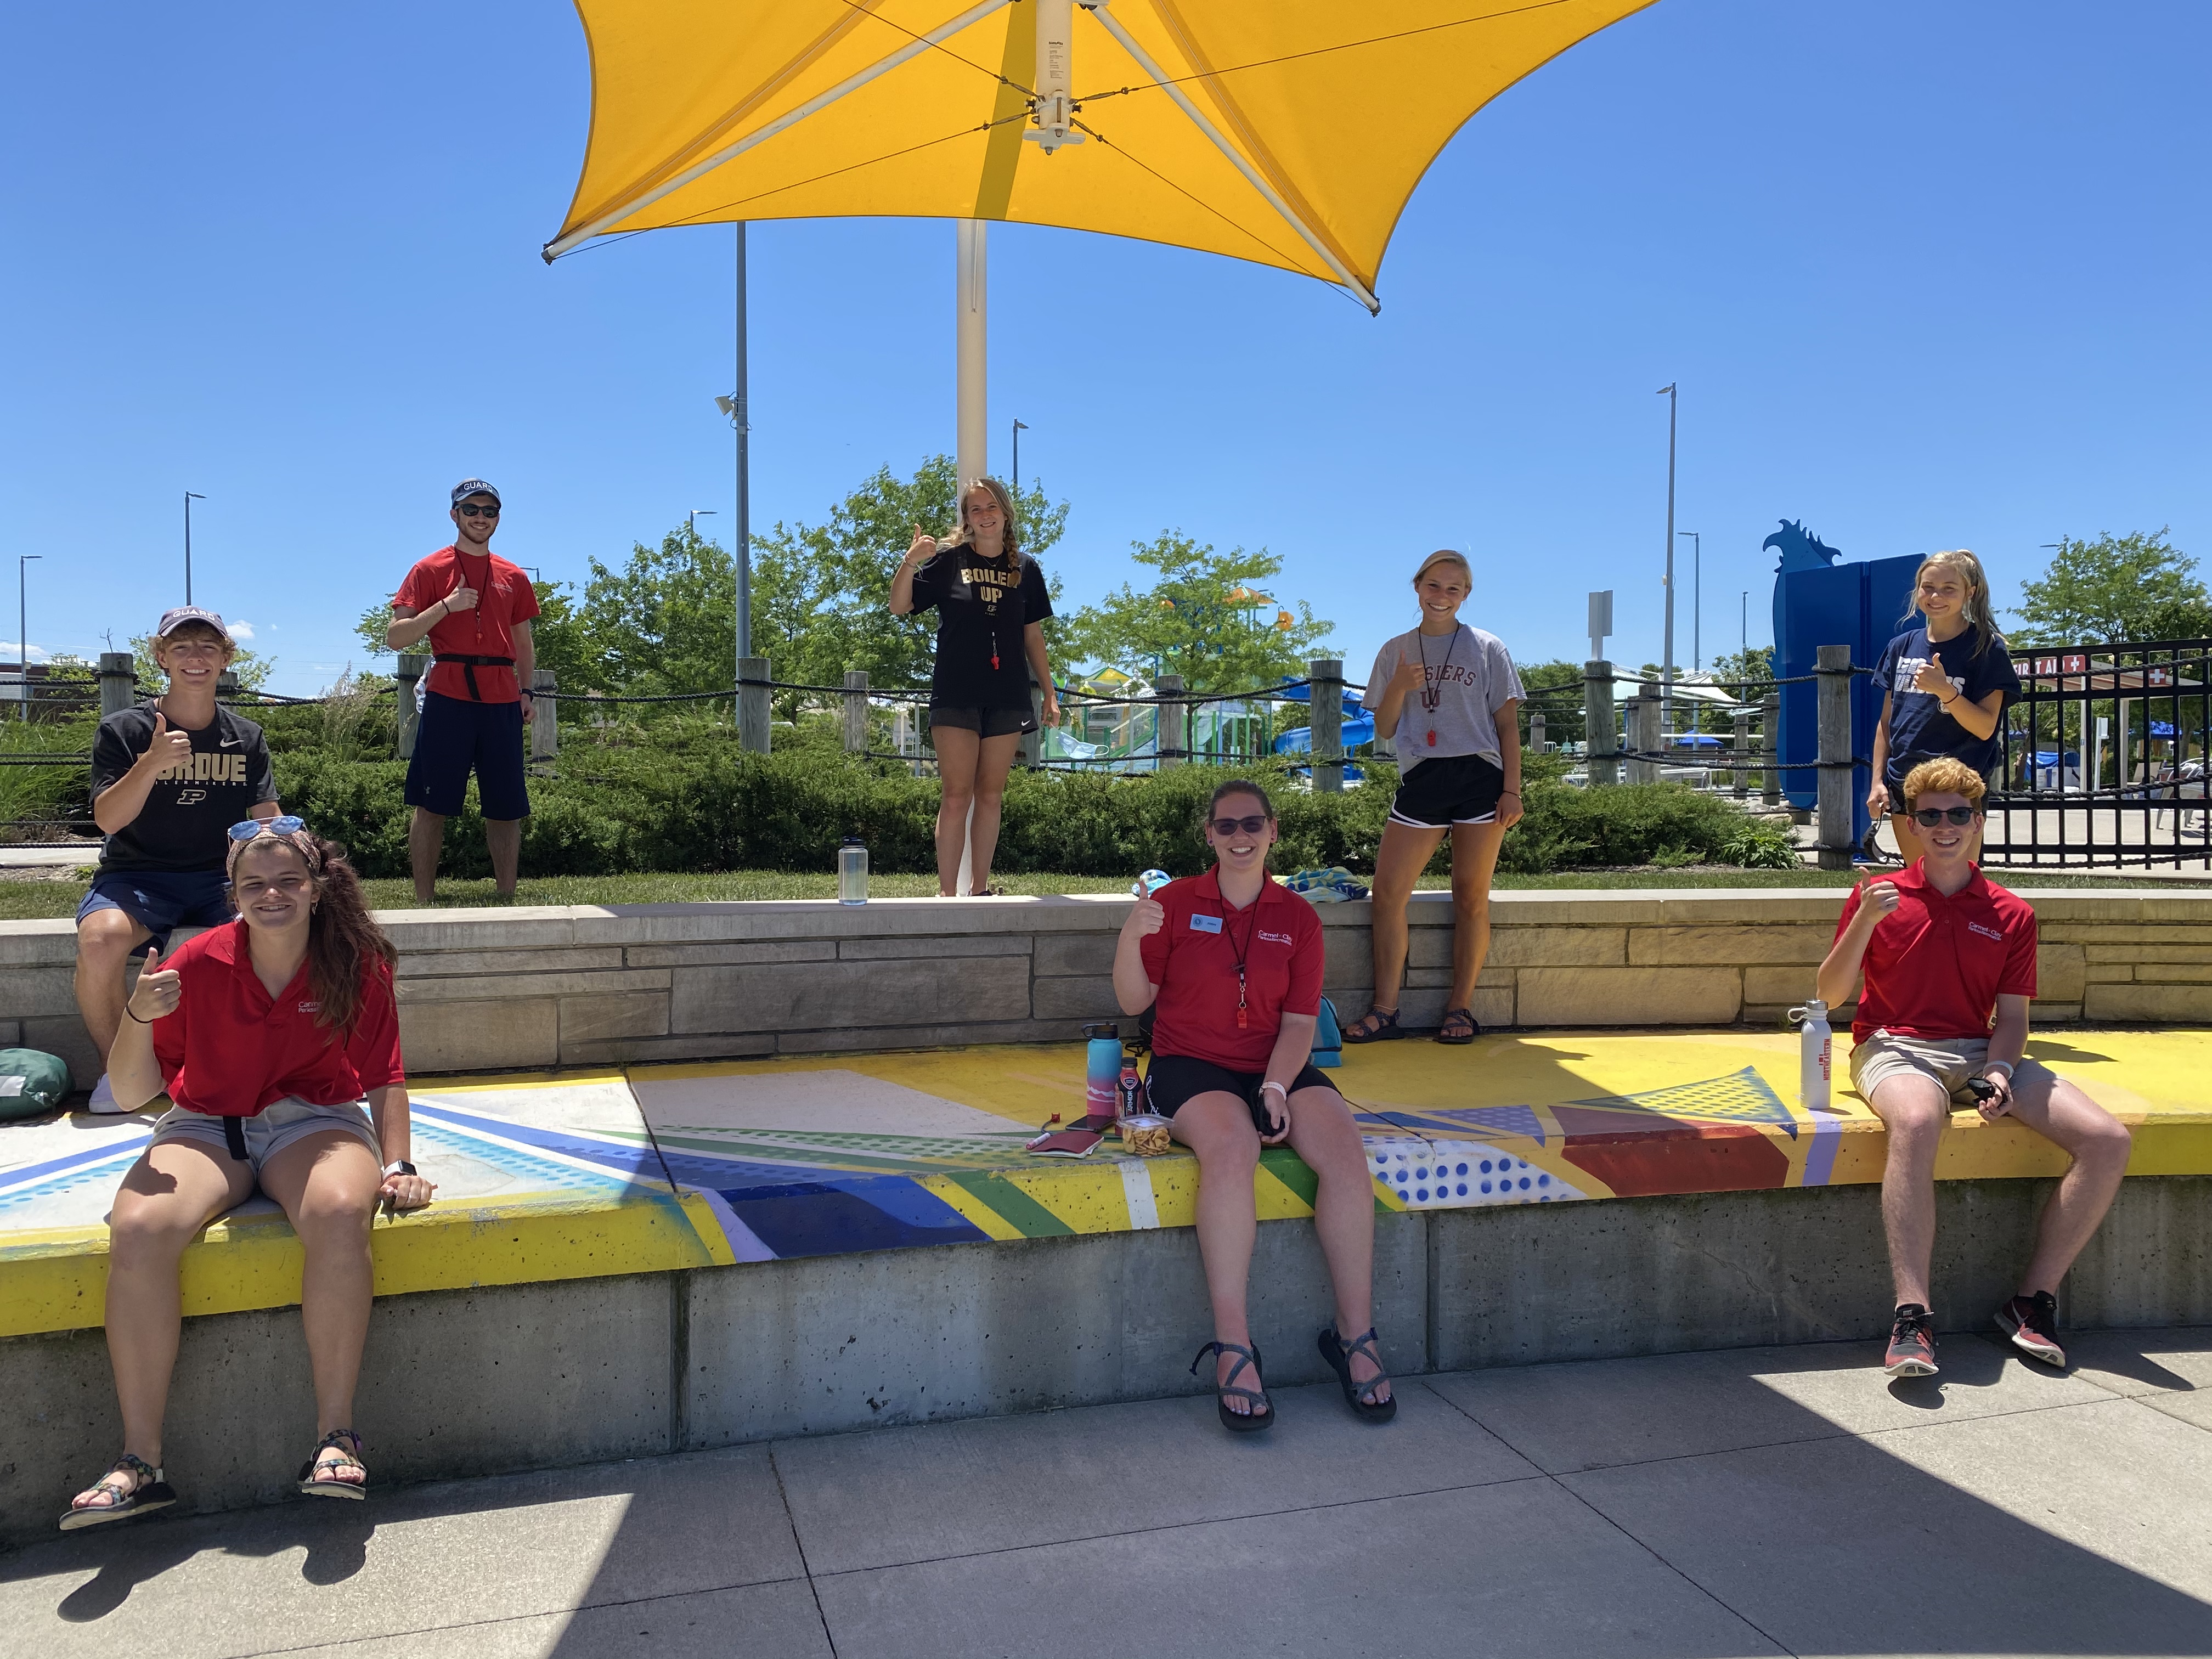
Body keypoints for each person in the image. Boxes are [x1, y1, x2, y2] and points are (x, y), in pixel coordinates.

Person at [60, 820, 435, 1530]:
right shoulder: (196, 960)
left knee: (335, 1213)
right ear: (231, 895)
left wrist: (400, 1163)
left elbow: (384, 1075)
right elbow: (137, 1089)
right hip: (208, 1126)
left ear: (318, 889)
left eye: (290, 881)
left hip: (314, 1124)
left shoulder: (353, 961)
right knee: (138, 1226)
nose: (273, 895)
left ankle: (336, 1438)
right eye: (254, 884)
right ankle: (140, 1462)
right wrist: (138, 1015)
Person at [1816, 758, 2131, 1380]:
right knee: (1916, 1118)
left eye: (1958, 815)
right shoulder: (1876, 895)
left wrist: (2004, 1070)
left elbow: (2011, 1017)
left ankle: (2031, 1302)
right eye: (1929, 816)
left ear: (1979, 821)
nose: (1944, 827)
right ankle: (1913, 1316)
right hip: (1893, 1047)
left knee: (2108, 1140)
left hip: (1980, 1049)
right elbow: (1827, 997)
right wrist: (1864, 922)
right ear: (1909, 825)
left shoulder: (2012, 913)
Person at [1113, 780, 1395, 1432]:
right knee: (1233, 1148)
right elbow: (1133, 1003)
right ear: (1208, 836)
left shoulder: (1297, 917)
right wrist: (1129, 938)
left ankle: (1354, 1338)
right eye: (1227, 826)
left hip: (1277, 1063)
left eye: (1253, 825)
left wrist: (1274, 1085)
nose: (1240, 837)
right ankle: (1234, 1346)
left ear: (1273, 832)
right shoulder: (1174, 903)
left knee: (1348, 1157)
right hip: (1190, 1064)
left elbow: (1300, 1023)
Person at [76, 607, 280, 1113]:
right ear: (161, 656)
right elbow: (108, 819)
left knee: (283, 930)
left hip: (219, 879)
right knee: (99, 940)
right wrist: (150, 765)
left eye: (209, 647)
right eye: (183, 647)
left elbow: (266, 816)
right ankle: (117, 1075)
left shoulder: (247, 736)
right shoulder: (122, 730)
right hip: (138, 878)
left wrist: (284, 848)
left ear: (226, 658)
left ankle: (274, 1067)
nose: (196, 657)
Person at [1344, 550, 1524, 1046]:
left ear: (1466, 595)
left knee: (1470, 897)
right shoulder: (1394, 650)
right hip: (1422, 778)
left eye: (1454, 589)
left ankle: (1459, 1009)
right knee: (1387, 895)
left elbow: (1508, 725)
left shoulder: (1488, 648)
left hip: (1480, 779)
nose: (1442, 596)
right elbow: (1382, 728)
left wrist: (1512, 790)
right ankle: (1385, 1010)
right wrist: (1400, 686)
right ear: (1417, 587)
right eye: (1434, 586)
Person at [888, 476, 1059, 896]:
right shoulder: (949, 561)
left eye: (990, 507)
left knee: (990, 796)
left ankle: (979, 889)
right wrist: (911, 561)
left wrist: (1051, 694)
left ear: (1005, 513)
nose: (984, 516)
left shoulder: (1026, 568)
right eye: (975, 509)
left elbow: (1032, 637)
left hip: (1007, 696)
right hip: (956, 694)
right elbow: (899, 606)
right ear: (966, 518)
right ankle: (948, 893)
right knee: (956, 795)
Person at [385, 479, 540, 902]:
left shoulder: (515, 576)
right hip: (448, 696)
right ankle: (423, 898)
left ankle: (507, 894)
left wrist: (528, 693)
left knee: (506, 805)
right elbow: (396, 637)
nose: (480, 517)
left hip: (502, 698)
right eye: (471, 509)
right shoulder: (428, 570)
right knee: (431, 803)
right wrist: (446, 606)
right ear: (454, 514)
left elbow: (523, 642)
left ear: (498, 519)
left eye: (489, 511)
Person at [1868, 550, 2019, 863]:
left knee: (1959, 884)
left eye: (1949, 588)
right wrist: (1877, 782)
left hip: (1960, 787)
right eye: (1928, 587)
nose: (1936, 596)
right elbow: (1886, 723)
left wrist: (1945, 692)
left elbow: (1985, 726)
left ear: (1970, 592)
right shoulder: (1900, 647)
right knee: (1919, 880)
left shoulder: (1987, 648)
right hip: (1904, 783)